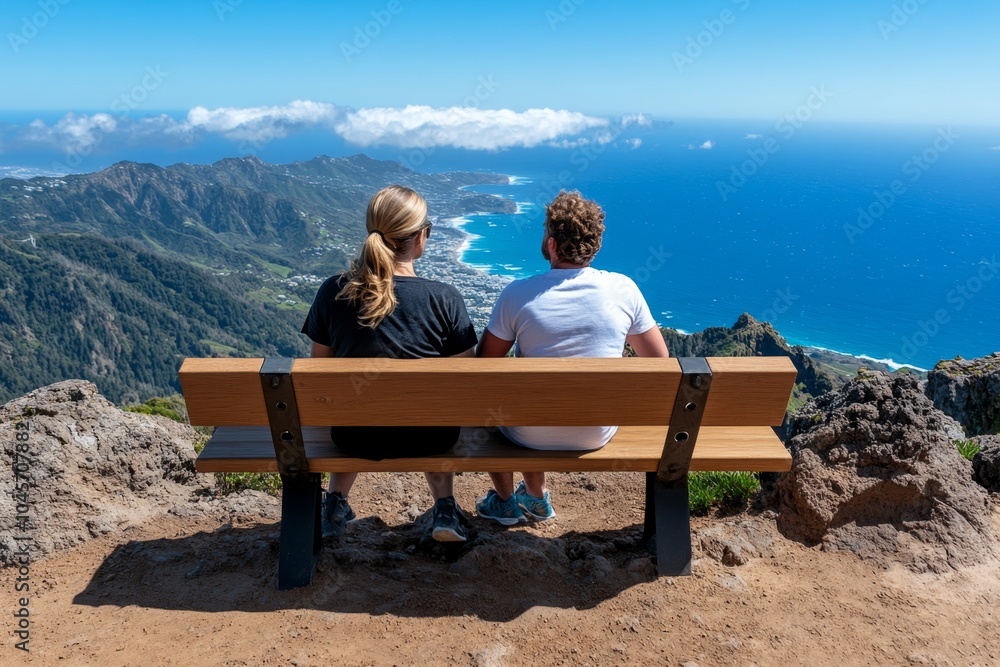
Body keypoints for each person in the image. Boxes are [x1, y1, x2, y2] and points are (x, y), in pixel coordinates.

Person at [475, 190, 670, 525]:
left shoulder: (518, 294)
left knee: (501, 392)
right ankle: (535, 498)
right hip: (596, 431)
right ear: (595, 245)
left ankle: (507, 502)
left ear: (551, 243)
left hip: (527, 434)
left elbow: (483, 364)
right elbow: (659, 361)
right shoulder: (624, 289)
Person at [301, 185, 478, 542]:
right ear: (420, 236)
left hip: (353, 438)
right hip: (431, 439)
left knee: (352, 406)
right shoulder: (444, 298)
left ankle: (335, 503)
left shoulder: (333, 291)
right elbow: (465, 381)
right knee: (438, 409)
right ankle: (445, 508)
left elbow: (319, 371)